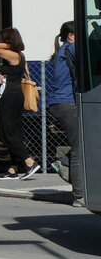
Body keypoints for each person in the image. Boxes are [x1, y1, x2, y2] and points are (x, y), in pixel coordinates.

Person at [0, 27, 40, 179]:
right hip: (16, 94)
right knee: (15, 132)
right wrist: (0, 73)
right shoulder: (19, 55)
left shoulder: (11, 53)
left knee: (6, 133)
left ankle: (29, 162)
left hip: (9, 96)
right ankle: (13, 169)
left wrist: (8, 45)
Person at [46, 21, 85, 207]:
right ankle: (79, 196)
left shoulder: (62, 51)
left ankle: (64, 162)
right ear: (71, 35)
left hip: (60, 103)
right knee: (79, 150)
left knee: (83, 143)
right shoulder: (72, 48)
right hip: (67, 103)